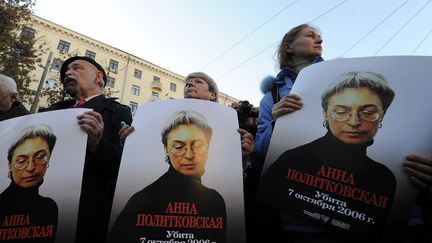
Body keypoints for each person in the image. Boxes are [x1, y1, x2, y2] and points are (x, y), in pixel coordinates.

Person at [257, 71, 398, 241]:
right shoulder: (292, 161)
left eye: (368, 112)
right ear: (325, 113)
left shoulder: (384, 179)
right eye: (340, 111)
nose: (354, 122)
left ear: (382, 115)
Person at [39, 56, 132, 243]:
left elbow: (124, 166)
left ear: (98, 77)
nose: (68, 73)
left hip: (87, 213)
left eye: (76, 68)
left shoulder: (118, 112)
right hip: (44, 208)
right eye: (66, 71)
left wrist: (97, 144)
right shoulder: (51, 112)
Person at [108, 110, 227, 243]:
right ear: (166, 150)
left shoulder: (215, 201)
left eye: (197, 145)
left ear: (208, 147)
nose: (189, 155)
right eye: (178, 146)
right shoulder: (142, 200)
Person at [256, 23, 323, 160]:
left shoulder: (336, 79)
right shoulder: (271, 96)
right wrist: (275, 123)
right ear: (288, 47)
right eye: (310, 36)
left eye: (319, 37)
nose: (320, 40)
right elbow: (260, 151)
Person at [0, 124, 58, 242]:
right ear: (9, 166)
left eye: (40, 157)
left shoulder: (49, 208)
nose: (31, 167)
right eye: (21, 161)